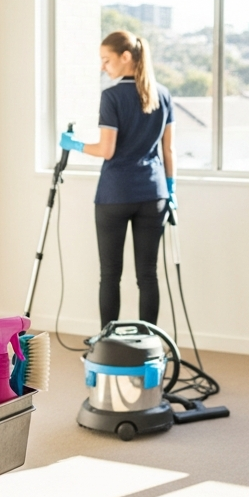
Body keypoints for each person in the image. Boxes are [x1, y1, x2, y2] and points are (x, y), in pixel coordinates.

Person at [60, 30, 176, 327]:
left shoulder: (111, 96)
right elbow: (168, 149)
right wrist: (171, 189)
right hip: (154, 194)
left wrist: (75, 144)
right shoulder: (162, 94)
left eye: (106, 60)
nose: (103, 67)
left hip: (115, 195)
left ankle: (107, 341)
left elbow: (107, 150)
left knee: (110, 274)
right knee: (148, 274)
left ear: (126, 57)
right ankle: (150, 340)